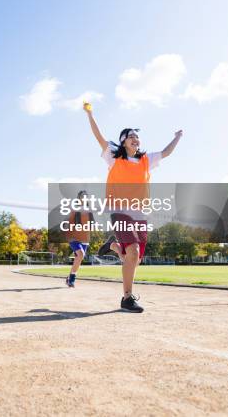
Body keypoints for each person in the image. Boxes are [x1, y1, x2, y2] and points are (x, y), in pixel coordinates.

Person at [84, 102, 183, 312]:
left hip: (140, 213)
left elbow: (166, 152)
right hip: (119, 210)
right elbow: (98, 135)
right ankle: (127, 298)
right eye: (131, 136)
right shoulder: (114, 156)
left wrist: (177, 137)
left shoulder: (147, 160)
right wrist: (90, 114)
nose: (135, 139)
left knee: (134, 257)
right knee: (134, 251)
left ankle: (113, 246)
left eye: (137, 136)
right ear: (123, 141)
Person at [65, 190, 93, 288]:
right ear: (79, 198)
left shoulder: (89, 210)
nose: (84, 198)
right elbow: (70, 222)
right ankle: (72, 279)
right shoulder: (75, 208)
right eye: (82, 196)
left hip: (84, 238)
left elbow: (91, 225)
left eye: (86, 196)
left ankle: (69, 278)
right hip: (74, 237)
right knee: (80, 254)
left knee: (79, 258)